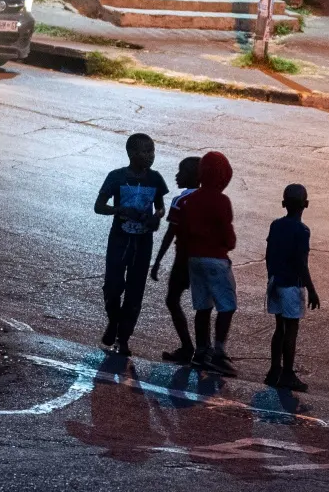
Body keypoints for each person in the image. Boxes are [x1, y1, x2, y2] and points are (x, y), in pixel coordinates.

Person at [93, 133, 168, 356]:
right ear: (131, 153)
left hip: (143, 242)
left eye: (152, 151)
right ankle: (114, 321)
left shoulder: (155, 179)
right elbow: (99, 206)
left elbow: (160, 207)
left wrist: (156, 216)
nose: (150, 156)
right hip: (119, 239)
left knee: (135, 292)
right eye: (145, 151)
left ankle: (123, 338)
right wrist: (119, 210)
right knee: (113, 287)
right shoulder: (116, 177)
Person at [173, 150, 238, 374]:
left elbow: (182, 231)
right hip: (216, 258)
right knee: (227, 306)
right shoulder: (221, 201)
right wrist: (229, 243)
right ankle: (219, 353)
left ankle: (202, 351)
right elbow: (228, 237)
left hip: (194, 258)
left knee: (203, 306)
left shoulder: (191, 199)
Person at [263, 183, 322, 391]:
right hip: (291, 285)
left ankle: (274, 370)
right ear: (306, 204)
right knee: (292, 329)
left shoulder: (275, 225)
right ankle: (287, 373)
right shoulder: (302, 231)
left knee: (279, 328)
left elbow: (268, 255)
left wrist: (272, 277)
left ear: (283, 204)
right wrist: (312, 289)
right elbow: (301, 263)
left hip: (276, 281)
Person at [150, 155, 202, 364]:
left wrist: (158, 260)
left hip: (184, 259)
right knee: (203, 307)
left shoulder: (180, 201)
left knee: (173, 300)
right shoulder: (208, 198)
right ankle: (204, 350)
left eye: (181, 172)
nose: (177, 175)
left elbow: (170, 232)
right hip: (203, 257)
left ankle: (188, 347)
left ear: (190, 176)